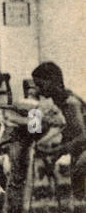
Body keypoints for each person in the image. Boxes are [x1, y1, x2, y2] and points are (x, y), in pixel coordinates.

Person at [31, 61, 86, 200]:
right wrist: (54, 157)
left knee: (80, 186)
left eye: (40, 85)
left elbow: (81, 137)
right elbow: (33, 131)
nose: (38, 89)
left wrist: (57, 151)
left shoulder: (70, 103)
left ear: (53, 82)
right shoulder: (55, 103)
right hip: (77, 151)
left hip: (82, 151)